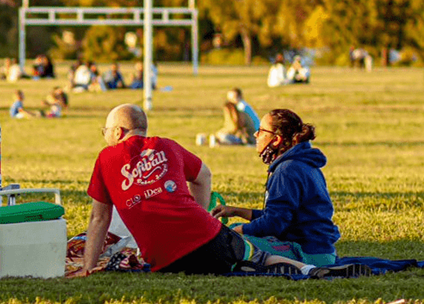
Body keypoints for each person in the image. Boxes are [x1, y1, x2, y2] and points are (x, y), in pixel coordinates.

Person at [78, 104, 353, 277]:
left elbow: (99, 219)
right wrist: (203, 214)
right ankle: (305, 271)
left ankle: (310, 267)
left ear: (117, 132)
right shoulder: (168, 145)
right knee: (253, 257)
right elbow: (204, 175)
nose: (255, 136)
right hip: (206, 238)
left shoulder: (105, 158)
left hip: (164, 259)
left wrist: (88, 268)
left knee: (252, 250)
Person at [210, 109, 350, 269]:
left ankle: (301, 269)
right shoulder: (303, 163)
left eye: (261, 131)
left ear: (276, 140)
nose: (255, 135)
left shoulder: (287, 170)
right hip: (324, 252)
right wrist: (236, 211)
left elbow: (274, 224)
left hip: (305, 253)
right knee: (234, 232)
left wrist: (236, 231)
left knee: (231, 241)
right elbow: (284, 217)